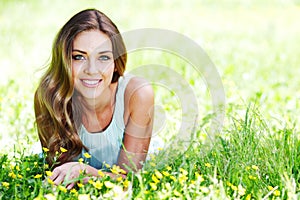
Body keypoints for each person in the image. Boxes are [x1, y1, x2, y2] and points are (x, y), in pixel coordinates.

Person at [34, 8, 154, 188]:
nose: (91, 70)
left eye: (103, 57)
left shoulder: (137, 94)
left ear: (115, 63)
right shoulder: (50, 96)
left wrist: (86, 172)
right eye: (79, 57)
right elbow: (60, 175)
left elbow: (129, 179)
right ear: (65, 60)